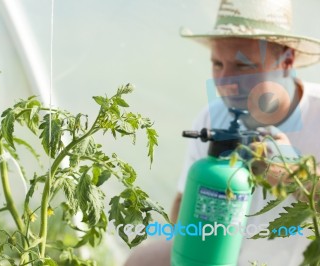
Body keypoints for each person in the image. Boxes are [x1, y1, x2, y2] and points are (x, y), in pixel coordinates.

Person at [124, 0, 320, 265]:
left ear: (286, 60)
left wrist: (291, 175)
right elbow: (182, 211)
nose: (225, 82)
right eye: (217, 64)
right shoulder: (211, 117)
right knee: (144, 259)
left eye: (243, 65)